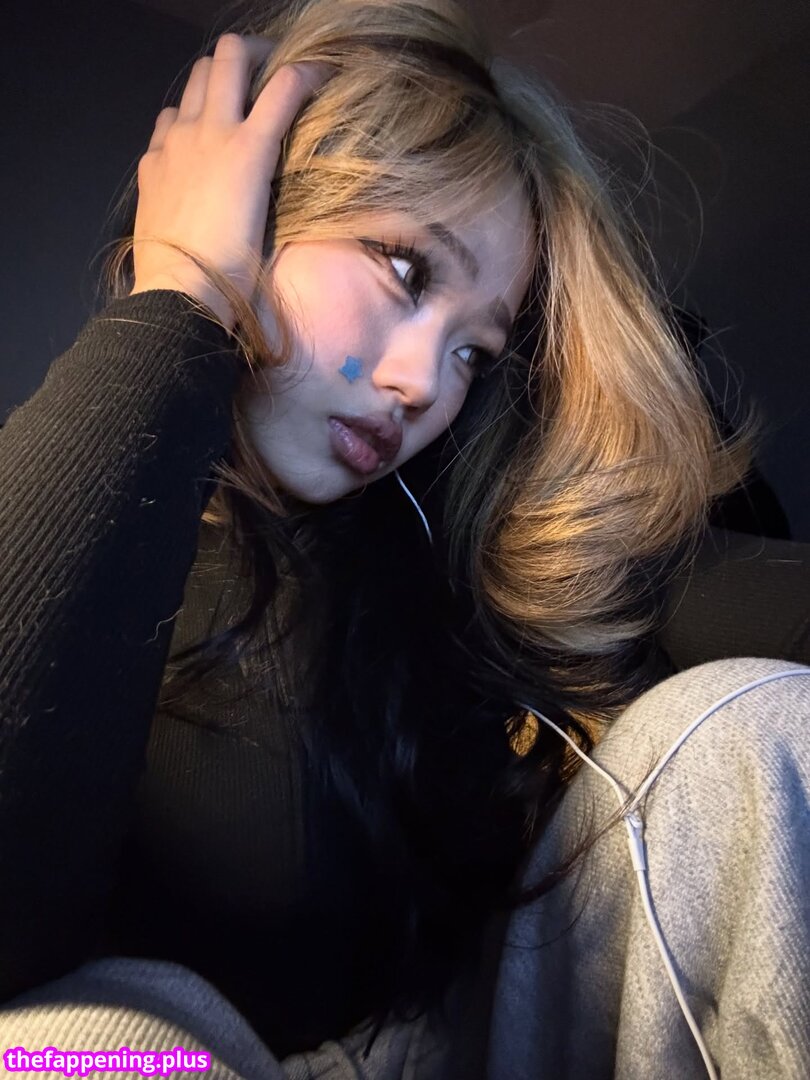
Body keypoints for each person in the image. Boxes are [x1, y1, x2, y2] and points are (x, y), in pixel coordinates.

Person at [1, 0, 808, 1077]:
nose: (424, 383)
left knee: (753, 727)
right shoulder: (66, 509)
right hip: (168, 1061)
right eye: (404, 270)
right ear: (255, 210)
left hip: (463, 1045)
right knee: (67, 1046)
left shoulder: (450, 547)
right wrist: (183, 293)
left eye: (475, 352)